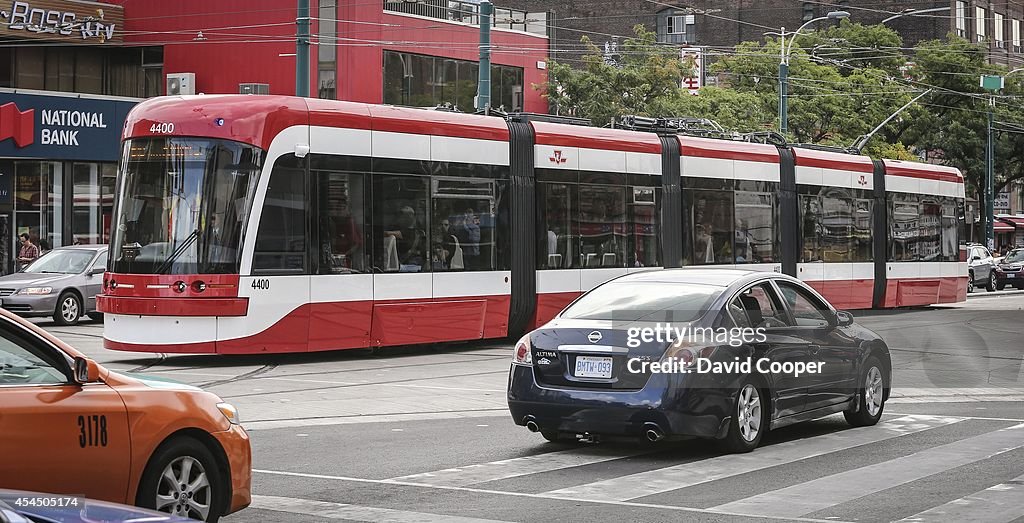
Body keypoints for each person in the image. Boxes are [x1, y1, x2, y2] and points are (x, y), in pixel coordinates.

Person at [384, 206, 425, 271]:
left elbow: (387, 234)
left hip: (410, 265)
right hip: (413, 265)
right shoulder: (417, 232)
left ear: (408, 218)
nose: (399, 219)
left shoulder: (407, 232)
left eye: (401, 216)